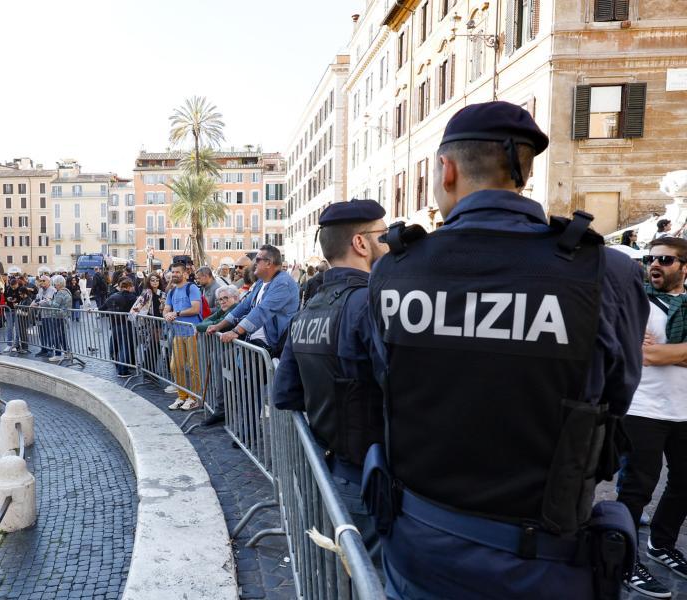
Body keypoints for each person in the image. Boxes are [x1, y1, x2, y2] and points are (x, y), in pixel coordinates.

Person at [363, 101, 647, 599]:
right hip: (543, 566)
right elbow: (616, 396)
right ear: (524, 171)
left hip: (420, 548)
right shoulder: (605, 270)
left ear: (447, 170)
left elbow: (387, 378)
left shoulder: (394, 270)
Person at [273, 199, 390, 565]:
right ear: (361, 243)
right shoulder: (371, 303)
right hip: (371, 479)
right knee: (370, 579)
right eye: (384, 235)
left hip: (328, 471)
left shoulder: (309, 308)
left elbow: (284, 393)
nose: (390, 243)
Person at [614, 236, 687, 598]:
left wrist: (662, 352)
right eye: (650, 258)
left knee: (685, 482)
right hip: (642, 408)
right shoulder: (637, 303)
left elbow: (655, 353)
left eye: (665, 260)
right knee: (637, 488)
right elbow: (639, 354)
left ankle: (661, 544)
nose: (654, 264)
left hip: (683, 410)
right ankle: (624, 560)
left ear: (684, 268)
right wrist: (674, 353)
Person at [208, 245, 300, 357]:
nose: (254, 263)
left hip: (272, 348)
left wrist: (235, 331)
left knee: (222, 359)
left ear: (268, 263)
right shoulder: (261, 282)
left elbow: (262, 311)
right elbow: (243, 306)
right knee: (219, 359)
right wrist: (219, 326)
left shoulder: (283, 283)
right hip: (254, 343)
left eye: (258, 259)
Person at [163, 262, 203, 410]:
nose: (174, 274)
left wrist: (176, 313)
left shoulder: (192, 288)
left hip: (192, 333)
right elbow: (166, 309)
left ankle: (194, 398)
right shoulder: (172, 291)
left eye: (177, 272)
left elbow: (196, 309)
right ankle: (182, 396)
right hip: (178, 333)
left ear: (185, 273)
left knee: (194, 367)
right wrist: (167, 315)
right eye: (173, 272)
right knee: (176, 366)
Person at [102, 278, 139, 376]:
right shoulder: (132, 297)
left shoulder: (113, 296)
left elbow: (103, 307)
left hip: (114, 325)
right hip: (126, 325)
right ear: (129, 287)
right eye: (132, 286)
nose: (133, 288)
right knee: (125, 347)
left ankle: (119, 366)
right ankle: (123, 371)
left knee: (118, 347)